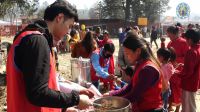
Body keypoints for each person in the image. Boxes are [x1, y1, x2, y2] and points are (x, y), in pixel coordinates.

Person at [6, 1, 92, 112]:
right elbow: (38, 93)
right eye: (69, 26)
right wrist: (76, 99)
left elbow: (35, 86)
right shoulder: (37, 41)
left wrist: (64, 108)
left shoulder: (27, 38)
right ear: (59, 18)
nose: (68, 32)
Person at [105, 32, 163, 112]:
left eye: (128, 53)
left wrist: (111, 102)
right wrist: (111, 94)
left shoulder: (148, 69)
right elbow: (130, 87)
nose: (126, 57)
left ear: (138, 51)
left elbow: (134, 95)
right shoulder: (139, 64)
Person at [166, 26, 189, 112]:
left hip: (179, 69)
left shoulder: (183, 42)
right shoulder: (170, 43)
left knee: (178, 89)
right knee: (170, 87)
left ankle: (178, 108)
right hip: (170, 69)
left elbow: (187, 57)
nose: (168, 36)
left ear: (174, 33)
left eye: (169, 34)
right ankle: (170, 105)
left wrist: (176, 61)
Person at [180, 29, 200, 112]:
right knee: (191, 104)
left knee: (187, 106)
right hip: (194, 81)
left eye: (186, 39)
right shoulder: (198, 48)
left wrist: (178, 74)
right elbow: (194, 65)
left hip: (188, 83)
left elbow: (189, 72)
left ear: (190, 39)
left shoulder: (191, 51)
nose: (185, 41)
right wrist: (185, 65)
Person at [157, 47, 176, 112]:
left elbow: (162, 79)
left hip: (163, 89)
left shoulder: (163, 68)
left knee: (162, 105)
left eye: (158, 57)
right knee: (165, 103)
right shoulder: (169, 65)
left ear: (161, 57)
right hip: (167, 87)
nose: (157, 58)